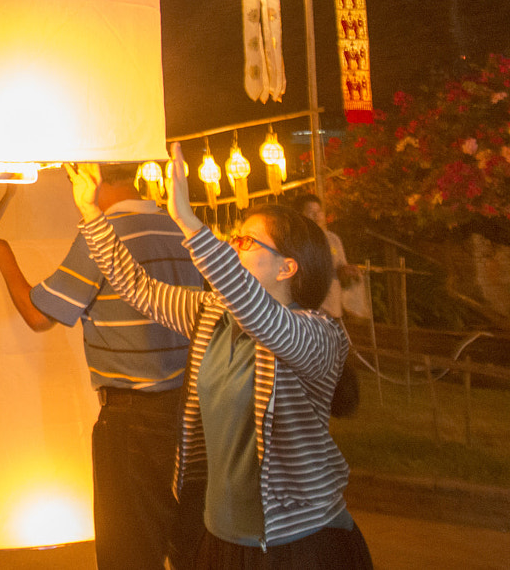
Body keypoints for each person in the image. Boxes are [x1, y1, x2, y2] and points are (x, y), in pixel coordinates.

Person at [76, 147, 373, 567]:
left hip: (300, 543)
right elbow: (137, 288)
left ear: (286, 268)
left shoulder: (316, 334)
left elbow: (265, 318)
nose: (232, 244)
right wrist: (92, 214)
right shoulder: (213, 315)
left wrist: (190, 225)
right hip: (223, 538)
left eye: (246, 240)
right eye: (233, 235)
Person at [0, 163, 204, 570]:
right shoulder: (178, 228)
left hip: (131, 418)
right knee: (185, 542)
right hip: (188, 413)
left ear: (89, 177)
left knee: (128, 550)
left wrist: (4, 257)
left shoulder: (102, 238)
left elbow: (38, 315)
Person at [300, 194, 367, 320]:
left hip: (333, 309)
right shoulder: (297, 241)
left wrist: (347, 272)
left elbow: (341, 270)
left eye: (318, 211)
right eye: (310, 212)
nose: (316, 216)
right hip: (308, 311)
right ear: (300, 215)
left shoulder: (333, 239)